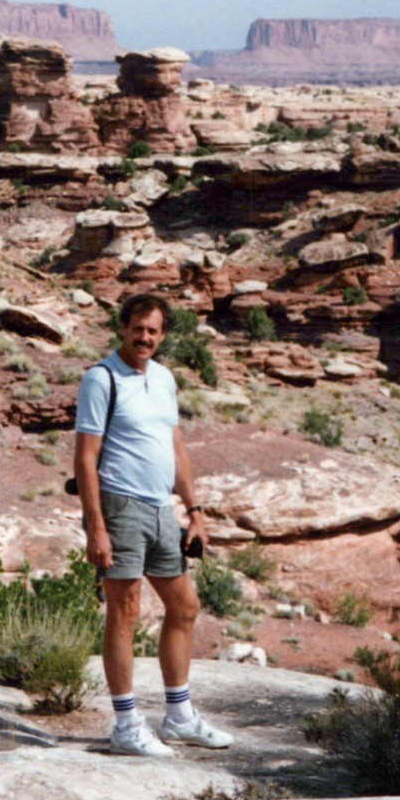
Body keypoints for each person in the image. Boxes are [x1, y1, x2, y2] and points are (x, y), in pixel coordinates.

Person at [74, 292, 233, 757]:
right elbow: (85, 457)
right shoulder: (101, 379)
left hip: (163, 510)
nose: (144, 337)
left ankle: (179, 717)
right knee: (124, 612)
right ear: (122, 327)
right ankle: (125, 725)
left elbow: (176, 448)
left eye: (153, 331)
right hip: (120, 507)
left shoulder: (163, 379)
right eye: (137, 328)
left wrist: (195, 510)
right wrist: (95, 527)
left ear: (162, 336)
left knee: (184, 606)